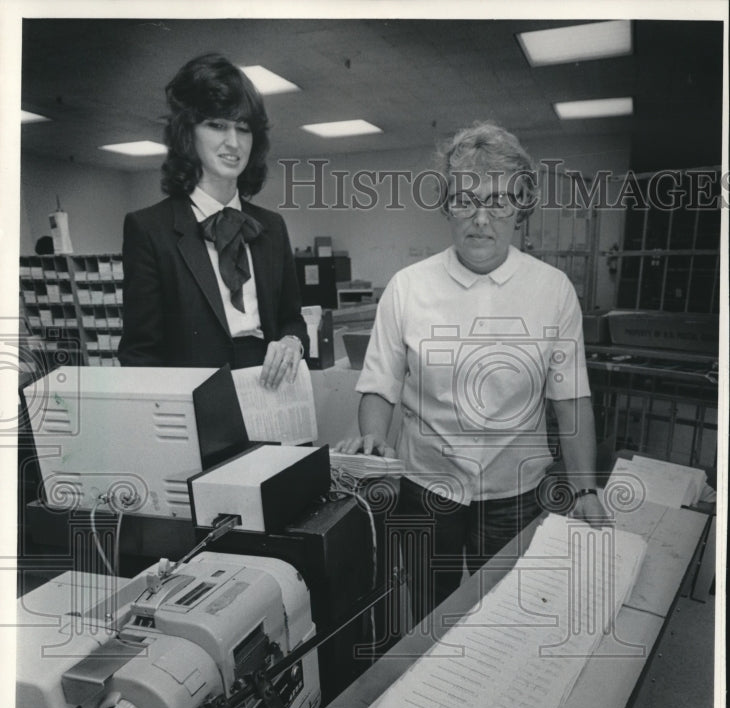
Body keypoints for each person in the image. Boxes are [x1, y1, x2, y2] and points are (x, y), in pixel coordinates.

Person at [337, 121, 605, 623]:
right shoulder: (407, 287)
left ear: (520, 209)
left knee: (504, 618)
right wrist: (373, 439)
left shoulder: (552, 289)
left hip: (515, 493)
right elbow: (380, 385)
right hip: (426, 489)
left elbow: (571, 399)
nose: (481, 219)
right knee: (427, 618)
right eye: (465, 200)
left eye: (499, 202)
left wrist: (586, 488)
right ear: (446, 206)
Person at [118, 53, 307, 389]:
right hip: (196, 404)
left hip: (272, 397)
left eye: (243, 128)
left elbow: (291, 319)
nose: (233, 142)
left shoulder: (272, 227)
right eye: (217, 125)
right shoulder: (148, 229)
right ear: (187, 133)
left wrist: (293, 342)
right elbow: (140, 354)